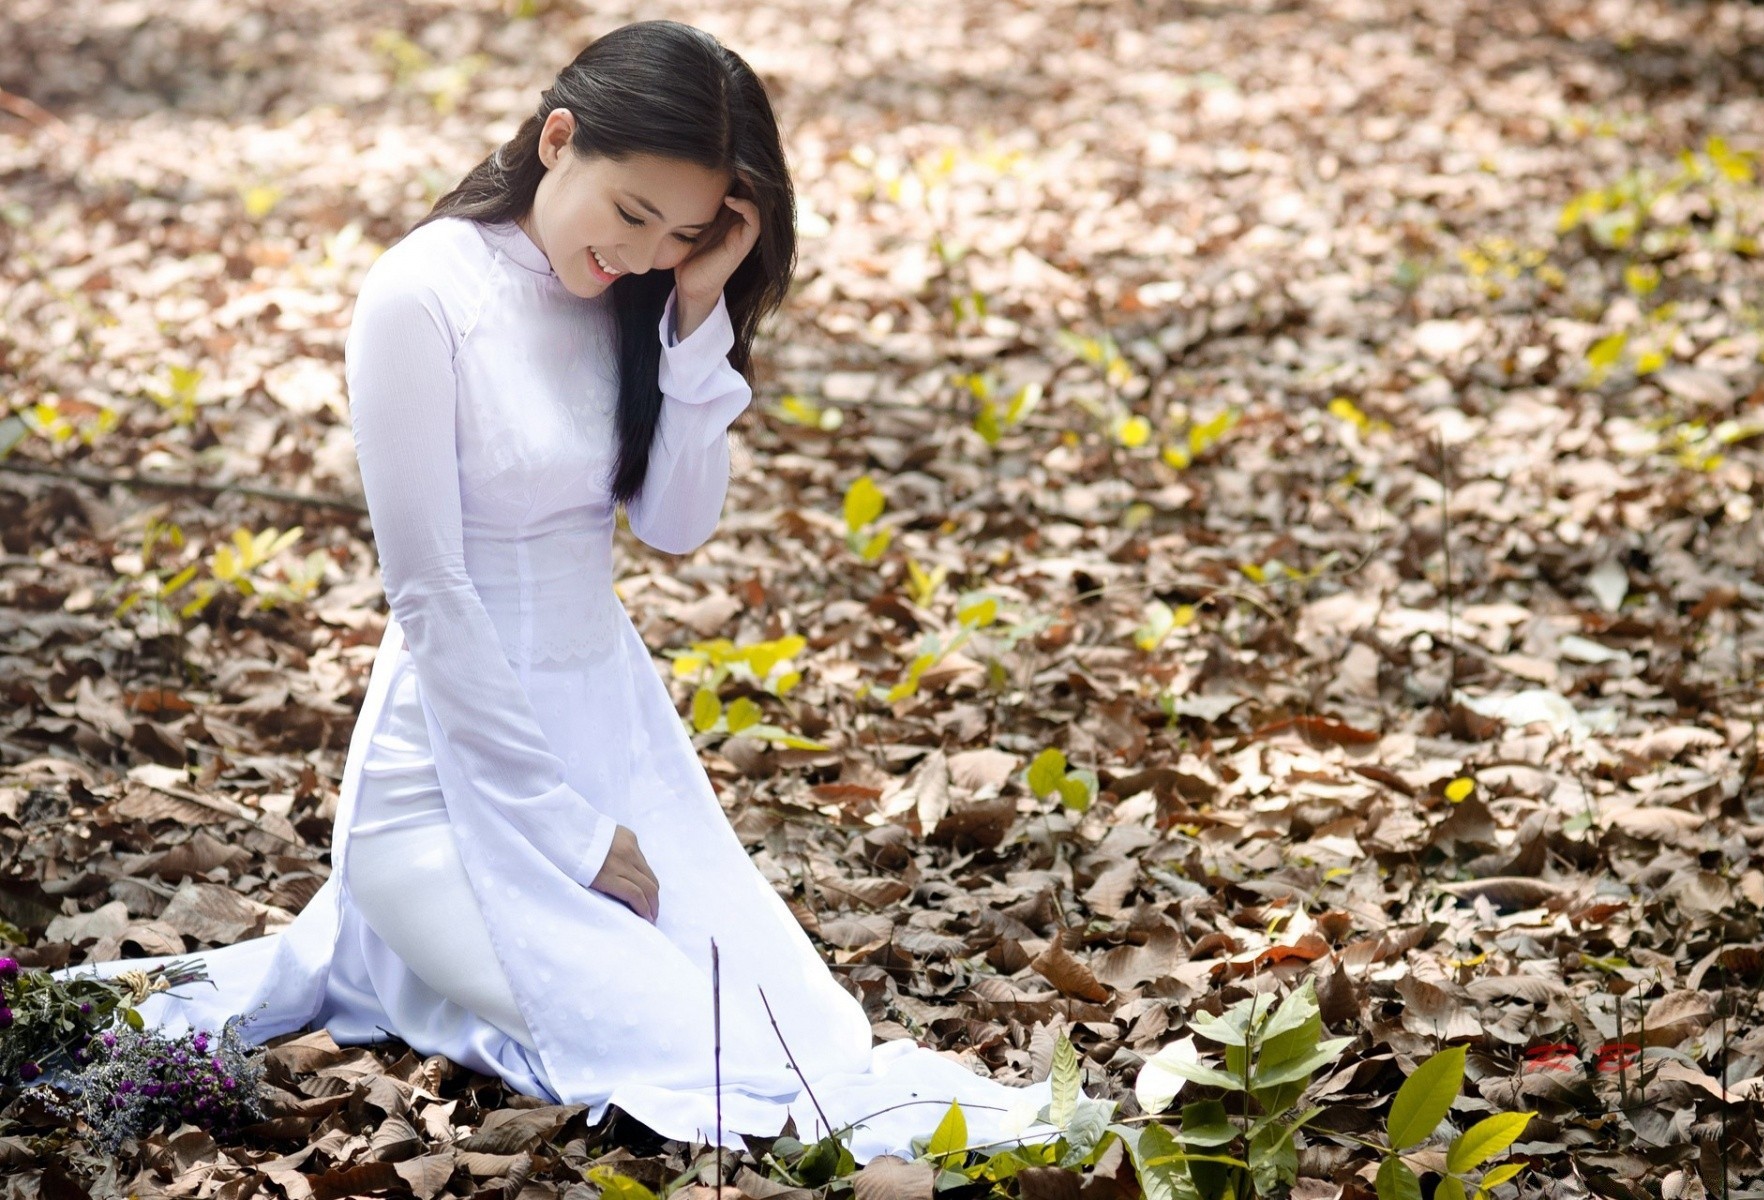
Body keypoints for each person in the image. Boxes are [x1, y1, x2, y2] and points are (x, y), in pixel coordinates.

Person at [53, 19, 1074, 1162]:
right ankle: (405, 957)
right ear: (556, 139)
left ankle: (416, 982)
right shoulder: (420, 294)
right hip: (443, 798)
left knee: (794, 1036)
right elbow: (431, 593)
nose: (641, 251)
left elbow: (677, 529)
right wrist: (571, 837)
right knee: (695, 1060)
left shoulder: (638, 302)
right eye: (632, 213)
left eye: (682, 231)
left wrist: (698, 317)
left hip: (614, 745)